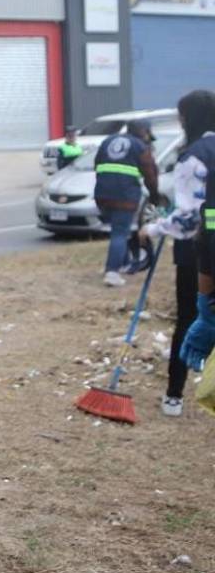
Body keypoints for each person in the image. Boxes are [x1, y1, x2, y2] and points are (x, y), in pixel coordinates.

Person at [139, 91, 215, 416]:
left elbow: (188, 219)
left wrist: (152, 229)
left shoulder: (193, 156)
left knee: (190, 318)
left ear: (188, 118)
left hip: (199, 252)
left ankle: (174, 395)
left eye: (181, 116)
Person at [94, 118, 161, 287]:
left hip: (102, 194)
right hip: (125, 195)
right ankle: (112, 272)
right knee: (120, 233)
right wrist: (154, 195)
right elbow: (150, 174)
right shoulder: (140, 146)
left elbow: (97, 164)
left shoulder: (108, 141)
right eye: (148, 134)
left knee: (118, 230)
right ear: (143, 131)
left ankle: (123, 264)